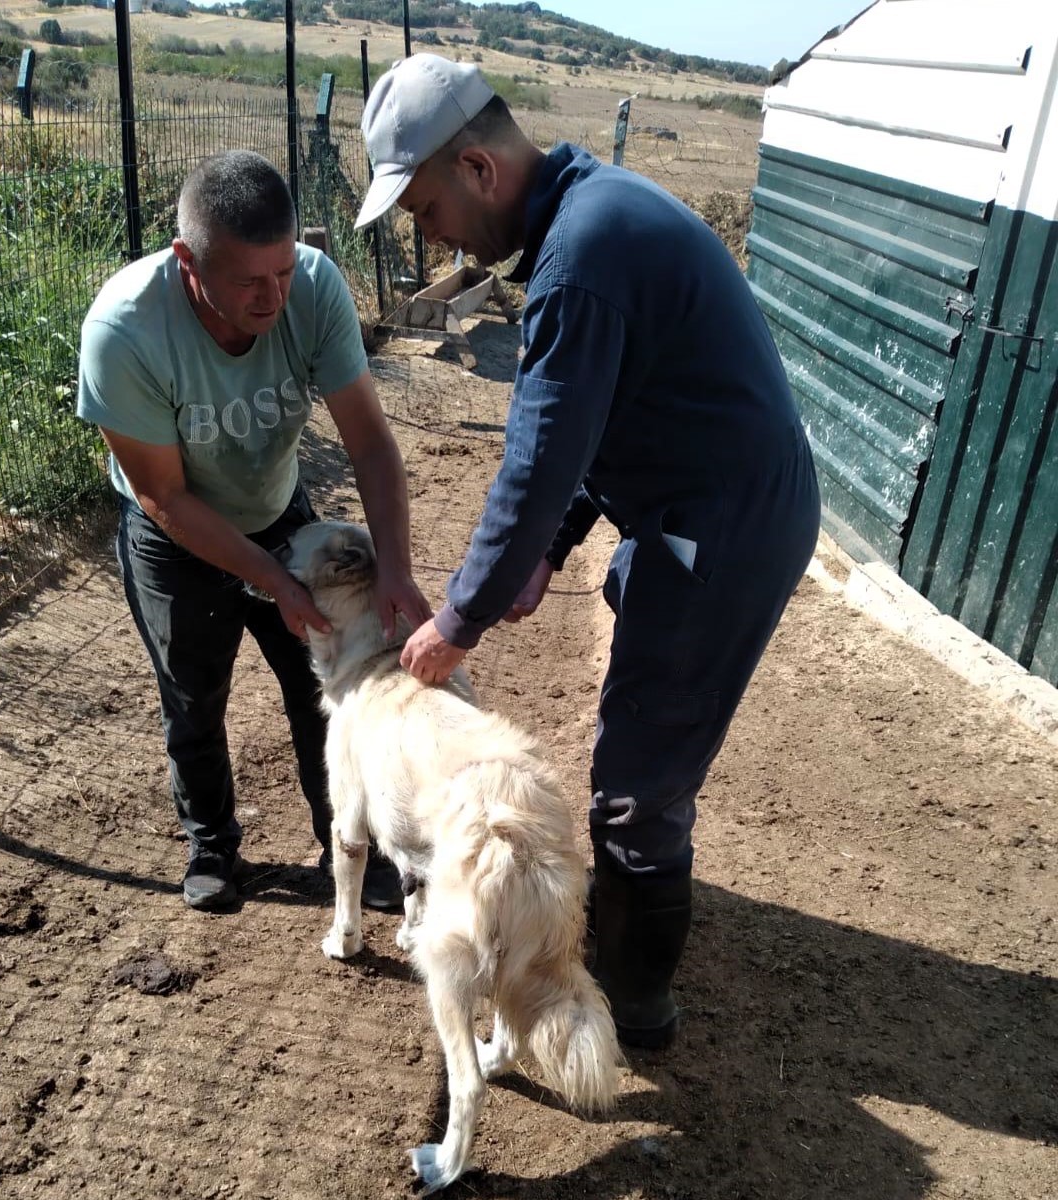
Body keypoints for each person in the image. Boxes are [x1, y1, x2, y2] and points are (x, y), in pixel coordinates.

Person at [354, 56, 821, 1047]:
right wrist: (549, 552)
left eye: (428, 208)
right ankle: (628, 929)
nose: (429, 234)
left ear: (478, 168)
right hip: (698, 503)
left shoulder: (582, 257)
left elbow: (536, 458)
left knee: (639, 779)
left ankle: (637, 1001)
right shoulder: (592, 220)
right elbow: (590, 431)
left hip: (724, 526)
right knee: (638, 709)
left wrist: (459, 620)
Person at [77, 150, 431, 911]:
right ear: (188, 261)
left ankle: (349, 844)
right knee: (194, 697)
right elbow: (164, 495)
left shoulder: (312, 285)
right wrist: (271, 581)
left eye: (284, 271)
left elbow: (369, 443)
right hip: (174, 537)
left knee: (323, 692)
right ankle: (212, 844)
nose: (275, 295)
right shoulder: (124, 332)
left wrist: (395, 568)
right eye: (249, 280)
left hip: (280, 513)